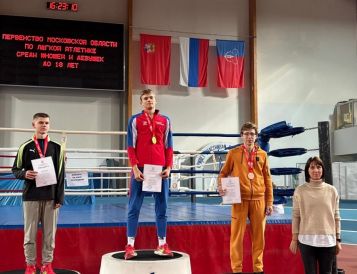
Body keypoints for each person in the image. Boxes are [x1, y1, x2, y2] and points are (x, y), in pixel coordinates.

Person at [12, 113, 65, 274]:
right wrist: (24, 174)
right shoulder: (25, 146)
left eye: (47, 123)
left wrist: (59, 198)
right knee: (30, 235)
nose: (44, 125)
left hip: (51, 197)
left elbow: (61, 173)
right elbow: (15, 169)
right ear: (33, 125)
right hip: (31, 197)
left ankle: (46, 265)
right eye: (41, 122)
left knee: (50, 235)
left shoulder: (57, 147)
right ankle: (30, 265)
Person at [124, 89, 174, 260]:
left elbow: (169, 146)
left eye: (151, 98)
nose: (149, 101)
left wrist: (169, 167)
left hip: (160, 171)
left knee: (163, 208)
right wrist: (135, 168)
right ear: (141, 102)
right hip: (141, 170)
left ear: (155, 100)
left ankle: (162, 244)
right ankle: (130, 245)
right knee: (134, 208)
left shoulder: (165, 120)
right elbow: (130, 146)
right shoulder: (135, 120)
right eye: (145, 99)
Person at [218, 122, 273, 274]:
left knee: (259, 238)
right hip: (238, 200)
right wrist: (220, 186)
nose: (249, 137)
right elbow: (223, 174)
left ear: (256, 137)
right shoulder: (233, 153)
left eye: (252, 134)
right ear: (242, 136)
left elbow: (267, 179)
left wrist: (269, 202)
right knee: (236, 237)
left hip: (259, 200)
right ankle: (237, 270)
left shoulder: (262, 154)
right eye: (247, 134)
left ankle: (258, 269)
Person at [289, 156, 342, 274]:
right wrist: (294, 238)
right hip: (306, 241)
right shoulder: (300, 190)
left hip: (328, 241)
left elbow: (336, 216)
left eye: (318, 167)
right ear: (307, 170)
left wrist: (338, 239)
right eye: (312, 167)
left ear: (322, 169)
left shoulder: (332, 190)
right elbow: (296, 216)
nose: (316, 170)